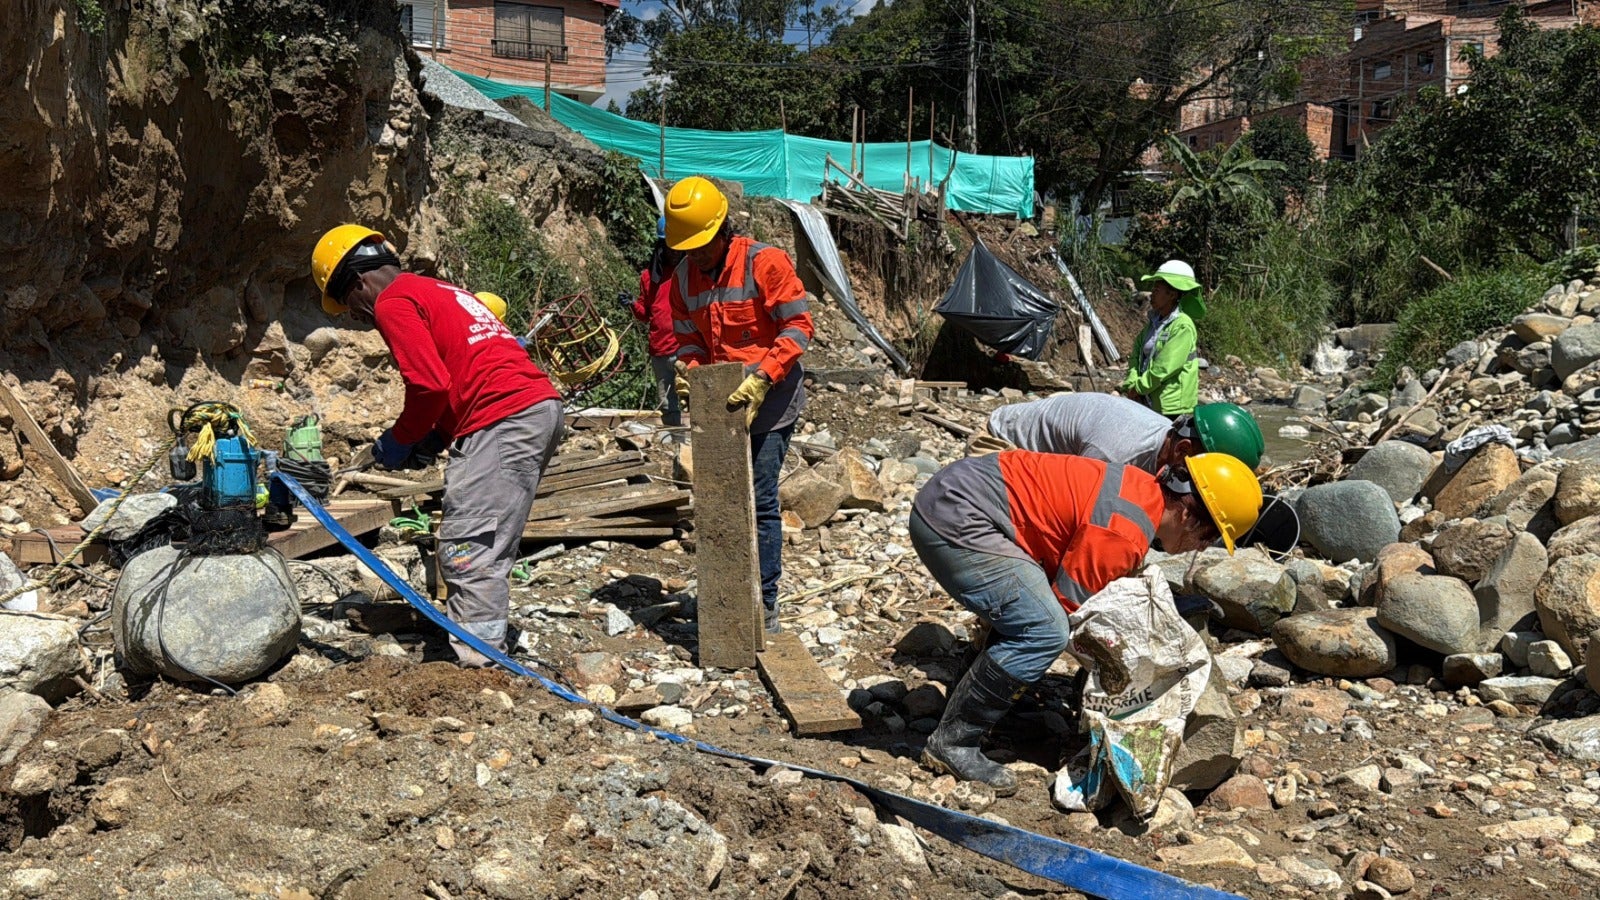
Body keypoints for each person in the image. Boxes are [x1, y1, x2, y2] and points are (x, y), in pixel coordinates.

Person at [909, 450, 1262, 794]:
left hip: (960, 495)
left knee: (1033, 610)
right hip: (956, 519)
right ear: (1187, 515)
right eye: (1209, 537)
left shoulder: (1141, 490)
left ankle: (968, 698)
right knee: (1045, 629)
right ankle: (953, 741)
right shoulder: (1122, 532)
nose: (1201, 548)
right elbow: (1072, 615)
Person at [310, 224, 564, 667]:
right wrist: (438, 437)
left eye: (349, 304)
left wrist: (397, 440)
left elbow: (428, 386)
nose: (354, 315)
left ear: (358, 281)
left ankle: (481, 663)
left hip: (503, 417)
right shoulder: (436, 289)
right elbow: (463, 372)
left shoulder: (391, 302)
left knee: (470, 544)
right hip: (531, 406)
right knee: (484, 536)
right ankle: (481, 644)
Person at [664, 176, 814, 632]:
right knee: (719, 498)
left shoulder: (764, 263)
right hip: (720, 404)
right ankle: (726, 592)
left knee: (760, 497)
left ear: (723, 229)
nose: (699, 254)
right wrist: (687, 371)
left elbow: (797, 328)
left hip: (772, 398)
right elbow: (687, 340)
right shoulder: (682, 280)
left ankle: (764, 601)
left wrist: (764, 377)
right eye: (689, 247)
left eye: (704, 244)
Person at [983, 393, 1265, 472]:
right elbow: (1079, 510)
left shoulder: (1165, 437)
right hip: (1001, 443)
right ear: (1183, 450)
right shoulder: (1115, 454)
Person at [1120, 259, 1205, 417]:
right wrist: (1132, 382)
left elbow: (1164, 367)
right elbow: (1135, 356)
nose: (1152, 294)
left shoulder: (1182, 326)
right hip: (1149, 402)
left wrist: (1138, 388)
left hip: (1172, 408)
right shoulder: (1153, 323)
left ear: (1172, 295)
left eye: (1157, 290)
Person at [624, 216, 682, 426]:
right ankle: (674, 443)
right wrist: (632, 303)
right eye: (669, 246)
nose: (674, 252)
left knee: (698, 395)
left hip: (685, 348)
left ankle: (702, 447)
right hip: (660, 349)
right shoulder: (649, 277)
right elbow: (645, 314)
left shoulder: (689, 272)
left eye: (677, 246)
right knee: (667, 402)